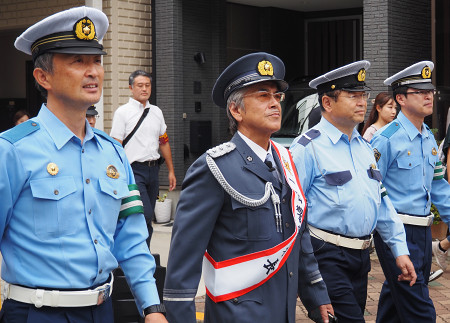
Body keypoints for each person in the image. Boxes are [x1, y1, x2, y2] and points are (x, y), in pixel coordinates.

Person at [0, 6, 167, 323]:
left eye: (97, 61)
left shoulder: (113, 154)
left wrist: (151, 307)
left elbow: (129, 238)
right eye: (78, 61)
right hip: (36, 314)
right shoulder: (12, 150)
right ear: (43, 76)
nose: (93, 71)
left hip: (102, 311)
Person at [163, 52, 333, 323]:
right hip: (237, 313)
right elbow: (184, 260)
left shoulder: (285, 160)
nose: (275, 103)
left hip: (284, 309)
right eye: (263, 95)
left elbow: (298, 234)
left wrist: (316, 293)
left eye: (277, 96)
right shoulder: (214, 168)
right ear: (236, 110)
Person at [289, 60, 416, 323]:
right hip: (325, 254)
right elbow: (292, 211)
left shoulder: (364, 147)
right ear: (327, 103)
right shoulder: (306, 148)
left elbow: (380, 201)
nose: (362, 102)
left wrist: (399, 249)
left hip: (360, 257)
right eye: (353, 96)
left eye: (364, 95)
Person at [371, 61, 450, 322]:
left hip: (423, 231)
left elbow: (439, 186)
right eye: (420, 92)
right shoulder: (386, 138)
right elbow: (373, 187)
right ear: (401, 99)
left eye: (430, 91)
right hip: (398, 230)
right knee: (420, 306)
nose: (429, 96)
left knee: (396, 300)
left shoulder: (427, 135)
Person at [110, 70, 176, 245]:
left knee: (148, 217)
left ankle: (143, 254)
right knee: (142, 214)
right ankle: (131, 253)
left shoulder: (156, 112)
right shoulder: (122, 112)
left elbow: (164, 142)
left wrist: (171, 170)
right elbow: (116, 145)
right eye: (140, 85)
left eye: (147, 85)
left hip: (153, 169)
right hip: (133, 170)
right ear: (131, 88)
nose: (144, 89)